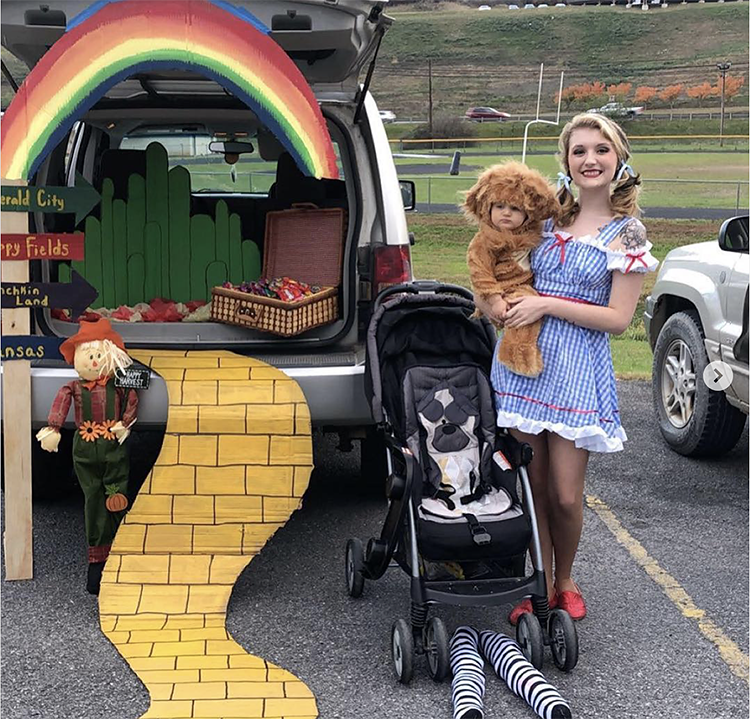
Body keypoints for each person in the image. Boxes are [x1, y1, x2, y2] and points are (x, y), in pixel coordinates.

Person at [474, 113, 658, 624]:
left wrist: (547, 305)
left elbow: (619, 320)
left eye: (601, 149)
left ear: (619, 157)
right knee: (530, 490)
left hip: (578, 372)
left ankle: (565, 580)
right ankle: (537, 584)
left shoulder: (627, 233)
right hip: (523, 367)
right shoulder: (543, 222)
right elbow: (499, 270)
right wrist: (492, 302)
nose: (590, 160)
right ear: (567, 162)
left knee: (565, 493)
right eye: (579, 151)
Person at [463, 161, 559, 378]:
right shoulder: (485, 240)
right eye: (499, 207)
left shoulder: (531, 235)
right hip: (504, 289)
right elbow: (480, 273)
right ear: (488, 208)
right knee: (523, 318)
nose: (506, 213)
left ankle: (521, 352)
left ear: (527, 215)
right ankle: (517, 355)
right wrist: (495, 299)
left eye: (515, 209)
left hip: (523, 286)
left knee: (526, 315)